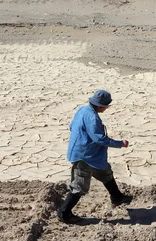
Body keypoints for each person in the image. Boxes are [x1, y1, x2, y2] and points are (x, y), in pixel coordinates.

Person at [57, 89, 133, 224]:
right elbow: (100, 139)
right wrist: (120, 143)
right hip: (84, 156)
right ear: (100, 106)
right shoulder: (93, 117)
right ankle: (64, 213)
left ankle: (117, 197)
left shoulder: (82, 110)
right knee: (79, 187)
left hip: (93, 156)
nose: (106, 108)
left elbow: (71, 126)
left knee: (106, 173)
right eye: (106, 106)